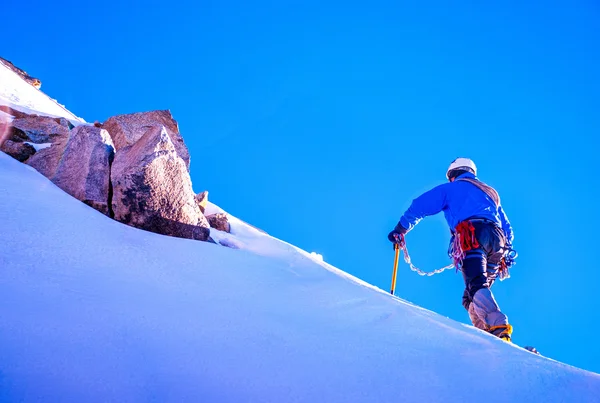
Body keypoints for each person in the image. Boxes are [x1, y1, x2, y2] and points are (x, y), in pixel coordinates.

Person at [387, 157, 515, 341]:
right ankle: (488, 334)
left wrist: (400, 229)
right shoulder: (489, 193)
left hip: (472, 235)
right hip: (497, 241)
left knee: (476, 283)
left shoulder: (451, 188)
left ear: (453, 174)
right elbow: (507, 228)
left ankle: (498, 325)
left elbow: (420, 205)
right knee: (471, 295)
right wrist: (505, 251)